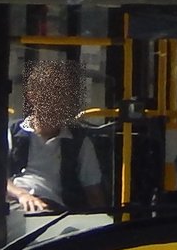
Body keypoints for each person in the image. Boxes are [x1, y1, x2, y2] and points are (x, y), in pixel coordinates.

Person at [7, 60, 105, 213]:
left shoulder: (79, 141)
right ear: (33, 96)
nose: (56, 102)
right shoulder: (12, 132)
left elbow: (93, 191)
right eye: (50, 93)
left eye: (62, 95)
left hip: (59, 213)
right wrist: (22, 195)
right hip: (16, 207)